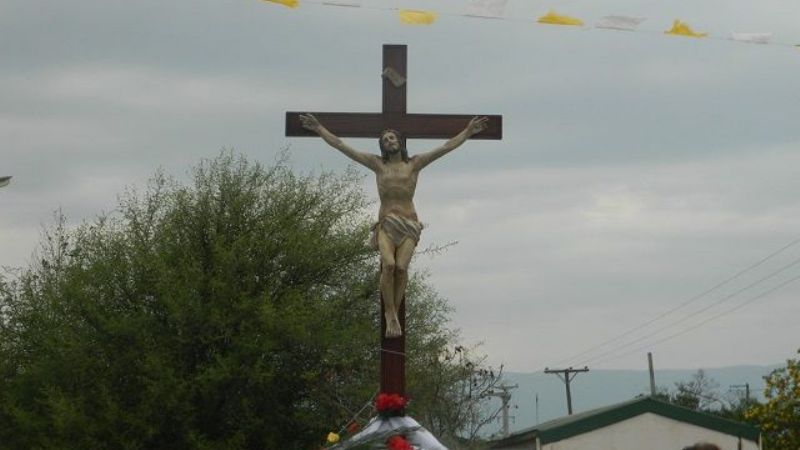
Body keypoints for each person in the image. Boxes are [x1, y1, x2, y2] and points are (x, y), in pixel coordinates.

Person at [299, 113, 488, 337]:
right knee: (388, 265)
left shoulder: (414, 164)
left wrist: (468, 131)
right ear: (382, 147)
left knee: (400, 269)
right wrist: (319, 128)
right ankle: (389, 312)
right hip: (387, 224)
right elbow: (342, 146)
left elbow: (445, 147)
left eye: (392, 138)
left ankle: (394, 311)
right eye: (385, 140)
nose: (389, 141)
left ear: (399, 141)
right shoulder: (378, 165)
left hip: (409, 224)